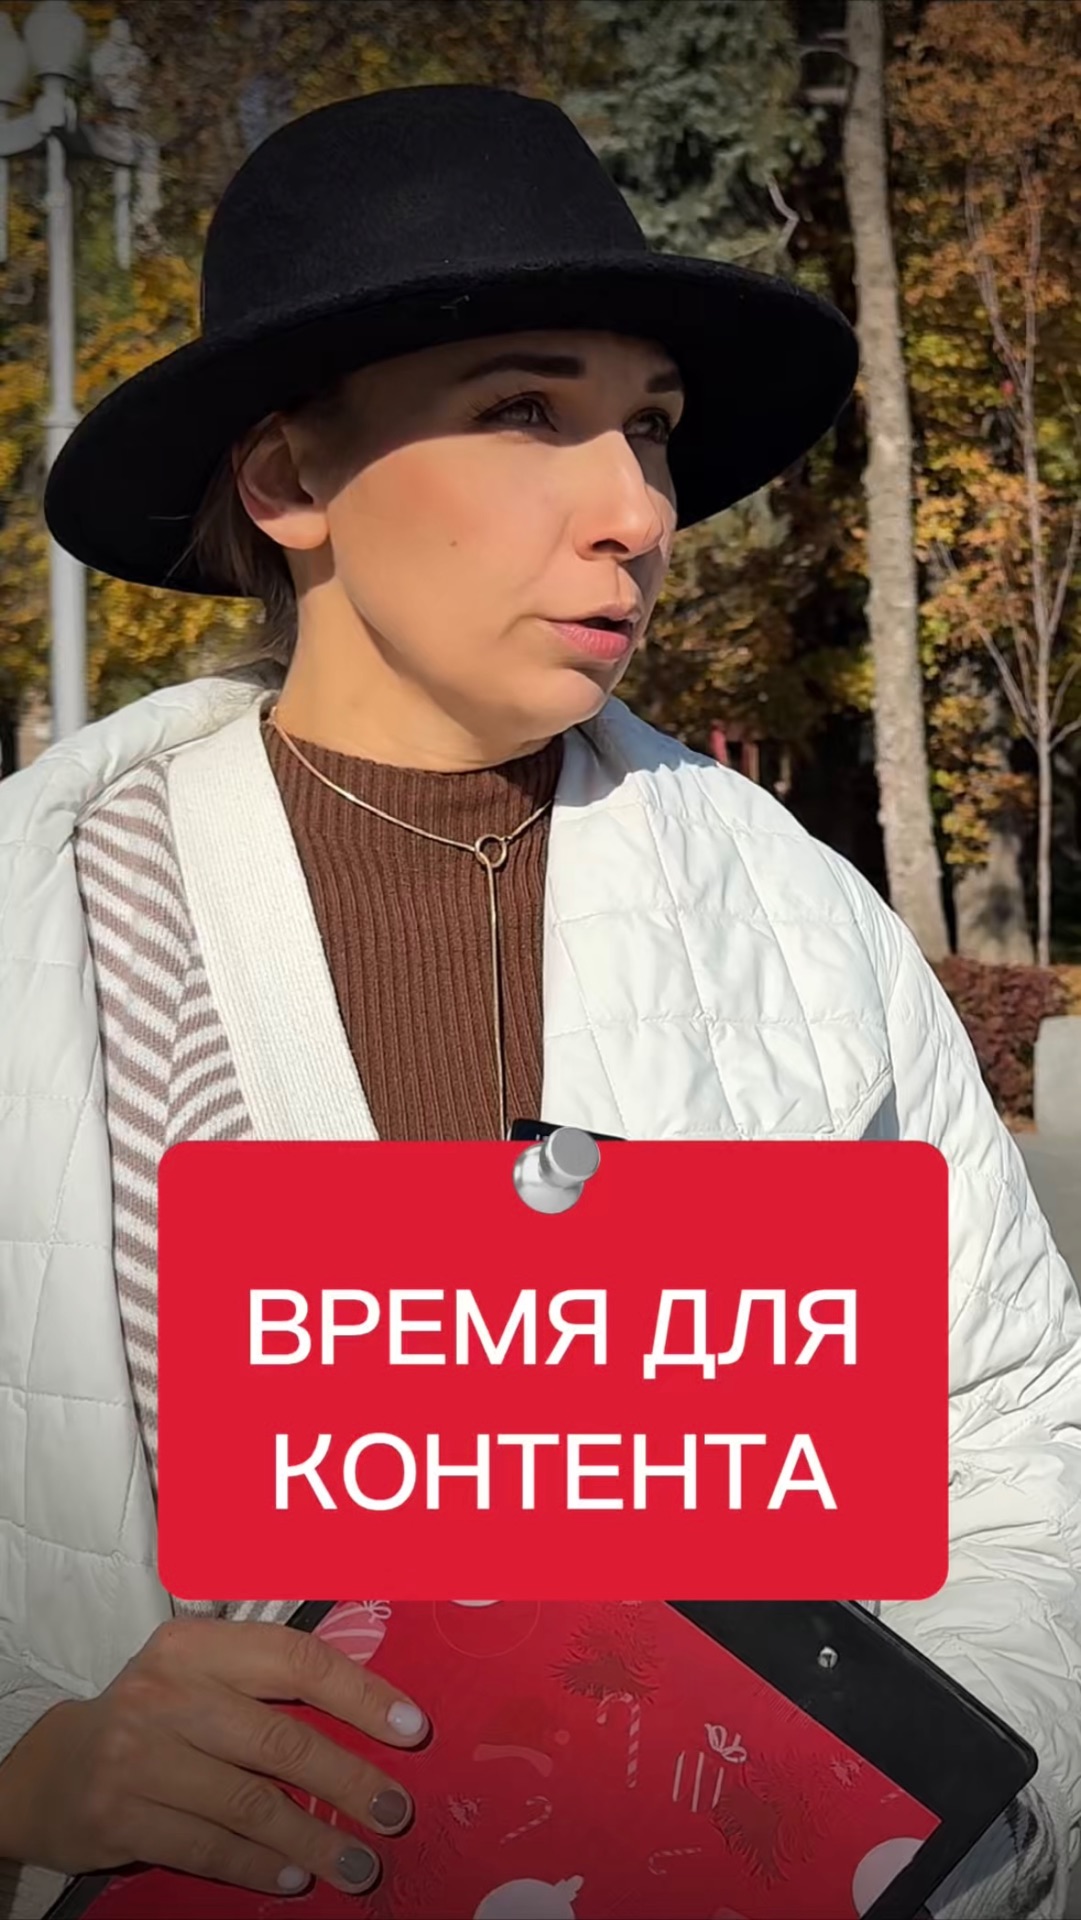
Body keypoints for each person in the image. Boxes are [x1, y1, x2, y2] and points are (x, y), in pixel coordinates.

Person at [0, 81, 1078, 1920]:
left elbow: (1009, 1433)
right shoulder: (48, 929)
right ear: (290, 482)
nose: (636, 508)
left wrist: (918, 1801)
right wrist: (30, 1767)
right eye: (521, 412)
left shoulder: (794, 923)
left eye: (648, 427)